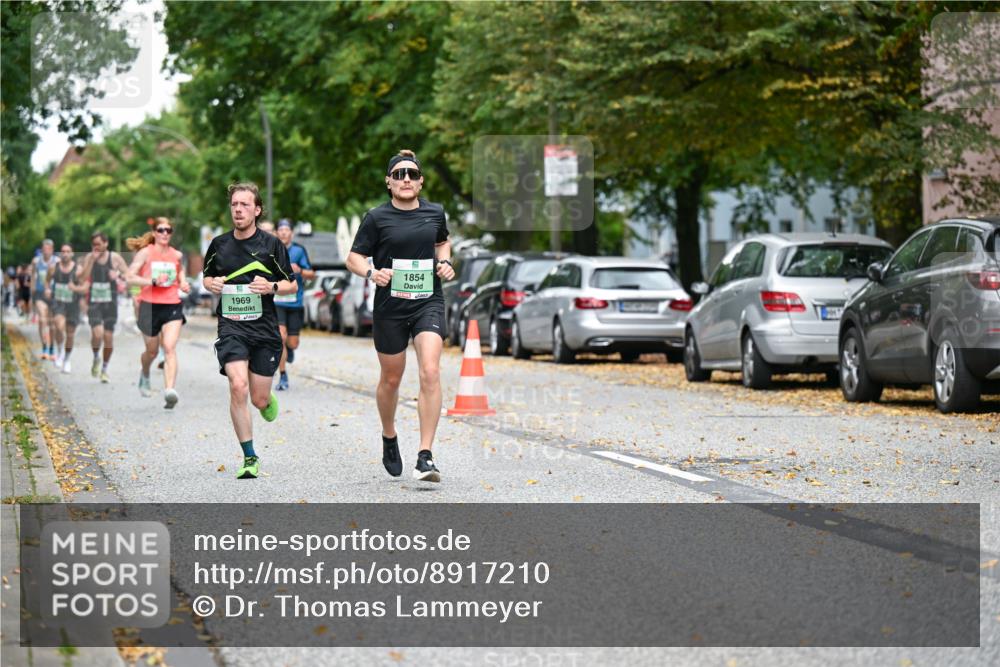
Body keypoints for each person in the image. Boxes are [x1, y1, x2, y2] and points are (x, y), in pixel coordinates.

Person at [346, 149, 455, 483]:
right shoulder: (376, 218)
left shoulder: (435, 213)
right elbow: (353, 258)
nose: (405, 179)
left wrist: (445, 262)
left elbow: (443, 243)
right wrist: (371, 272)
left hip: (427, 302)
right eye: (398, 174)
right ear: (389, 182)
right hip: (390, 307)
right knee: (391, 379)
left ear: (420, 182)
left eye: (412, 174)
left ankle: (425, 455)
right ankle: (389, 435)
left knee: (430, 371)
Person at [203, 183, 295, 479]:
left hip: (264, 330)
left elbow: (292, 284)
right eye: (234, 204)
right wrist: (212, 284)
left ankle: (265, 400)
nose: (238, 210)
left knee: (258, 399)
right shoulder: (219, 245)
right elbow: (207, 277)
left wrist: (272, 286)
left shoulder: (271, 245)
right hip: (231, 327)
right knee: (238, 385)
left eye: (244, 204)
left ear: (257, 210)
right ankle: (250, 456)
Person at [126, 218, 191, 408]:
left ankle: (169, 390)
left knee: (169, 348)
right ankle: (145, 372)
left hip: (172, 304)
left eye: (168, 230)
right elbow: (129, 277)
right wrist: (151, 282)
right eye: (161, 230)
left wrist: (183, 283)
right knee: (152, 351)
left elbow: (180, 273)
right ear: (154, 233)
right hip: (149, 305)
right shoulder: (145, 253)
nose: (164, 233)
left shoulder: (176, 255)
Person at [78, 231, 130, 383]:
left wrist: (118, 275)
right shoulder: (89, 257)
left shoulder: (115, 258)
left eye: (99, 244)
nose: (96, 247)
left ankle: (105, 369)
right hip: (94, 302)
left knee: (108, 338)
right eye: (93, 244)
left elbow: (128, 275)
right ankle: (96, 357)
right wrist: (91, 261)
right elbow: (82, 278)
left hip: (110, 303)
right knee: (97, 334)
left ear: (106, 244)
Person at [273, 219, 314, 390]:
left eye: (286, 230)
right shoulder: (271, 250)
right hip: (277, 301)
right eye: (280, 229)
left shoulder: (299, 250)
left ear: (292, 233)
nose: (283, 232)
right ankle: (283, 375)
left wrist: (300, 270)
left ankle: (289, 349)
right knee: (280, 337)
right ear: (276, 232)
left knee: (293, 343)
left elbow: (311, 274)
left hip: (295, 303)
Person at [48, 244, 86, 373]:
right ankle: (60, 352)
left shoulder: (78, 269)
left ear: (72, 253)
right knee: (59, 326)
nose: (65, 254)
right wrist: (47, 289)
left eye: (68, 251)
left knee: (70, 334)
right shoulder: (53, 268)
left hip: (73, 304)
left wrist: (75, 288)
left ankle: (67, 359)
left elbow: (84, 287)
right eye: (63, 251)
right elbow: (47, 281)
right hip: (58, 302)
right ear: (60, 253)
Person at [30, 240, 57, 359]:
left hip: (53, 294)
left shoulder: (57, 261)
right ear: (42, 249)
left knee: (52, 323)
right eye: (44, 249)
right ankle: (44, 347)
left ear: (52, 249)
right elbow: (33, 278)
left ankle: (52, 348)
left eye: (48, 249)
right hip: (40, 294)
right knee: (42, 319)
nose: (46, 251)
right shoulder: (36, 261)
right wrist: (32, 293)